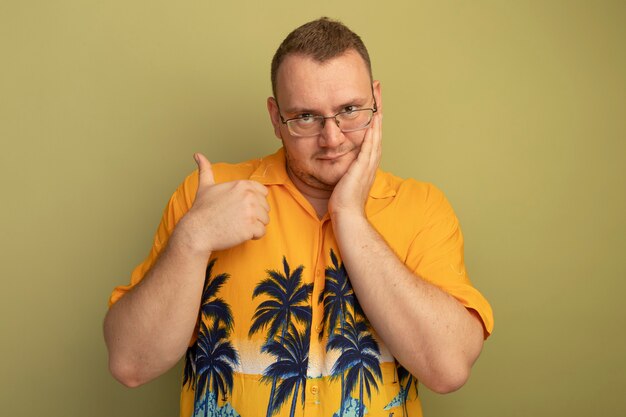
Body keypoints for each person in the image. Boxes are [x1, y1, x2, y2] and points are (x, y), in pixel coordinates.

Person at [104, 17, 493, 417]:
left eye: (350, 110)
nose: (333, 138)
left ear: (376, 100)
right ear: (276, 118)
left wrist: (349, 216)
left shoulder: (422, 207)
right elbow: (130, 363)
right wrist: (193, 238)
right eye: (306, 117)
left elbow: (447, 369)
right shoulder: (208, 196)